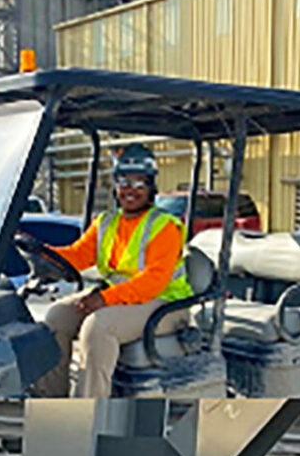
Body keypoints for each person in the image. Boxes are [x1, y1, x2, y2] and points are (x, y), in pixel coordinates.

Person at [36, 144, 194, 399]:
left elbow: (153, 282)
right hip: (124, 300)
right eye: (124, 181)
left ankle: (90, 411)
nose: (130, 190)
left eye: (139, 183)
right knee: (56, 317)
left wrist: (104, 299)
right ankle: (50, 400)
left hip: (166, 306)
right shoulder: (107, 223)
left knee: (99, 327)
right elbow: (77, 255)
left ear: (152, 187)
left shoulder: (165, 227)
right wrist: (42, 252)